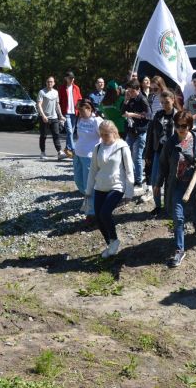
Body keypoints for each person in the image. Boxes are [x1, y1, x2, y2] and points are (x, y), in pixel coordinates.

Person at [157, 110, 196, 268]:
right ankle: (180, 250)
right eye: (177, 125)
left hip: (195, 181)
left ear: (190, 126)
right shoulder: (170, 143)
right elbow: (163, 164)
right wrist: (158, 183)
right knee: (178, 217)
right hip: (177, 184)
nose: (180, 128)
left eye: (184, 126)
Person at [84, 120, 134, 258]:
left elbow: (129, 170)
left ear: (114, 132)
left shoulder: (122, 147)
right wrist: (88, 191)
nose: (104, 137)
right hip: (100, 186)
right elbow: (93, 170)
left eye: (106, 134)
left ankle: (115, 239)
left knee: (105, 213)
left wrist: (129, 192)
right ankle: (111, 243)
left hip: (117, 186)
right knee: (99, 218)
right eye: (102, 135)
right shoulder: (98, 148)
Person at [144, 89, 178, 217]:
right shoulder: (157, 115)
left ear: (173, 100)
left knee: (171, 181)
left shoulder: (179, 116)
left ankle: (169, 207)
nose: (164, 105)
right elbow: (150, 136)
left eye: (167, 102)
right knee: (155, 180)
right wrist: (148, 154)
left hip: (173, 153)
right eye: (162, 102)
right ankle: (158, 206)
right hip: (158, 152)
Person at [73, 99, 103, 223]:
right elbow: (80, 136)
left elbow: (106, 136)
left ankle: (92, 213)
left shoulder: (97, 121)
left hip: (90, 157)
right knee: (79, 182)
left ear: (90, 109)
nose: (80, 112)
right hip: (78, 154)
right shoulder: (80, 119)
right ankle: (91, 203)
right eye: (79, 110)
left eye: (82, 110)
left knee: (89, 185)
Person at [122, 79, 151, 192]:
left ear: (138, 89)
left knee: (137, 156)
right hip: (130, 131)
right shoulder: (130, 98)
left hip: (140, 131)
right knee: (125, 152)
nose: (130, 93)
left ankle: (138, 181)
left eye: (132, 91)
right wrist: (125, 101)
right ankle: (131, 177)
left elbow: (149, 115)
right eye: (128, 91)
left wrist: (133, 115)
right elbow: (122, 112)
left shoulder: (142, 99)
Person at [37, 76, 67, 160]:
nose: (49, 83)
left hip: (54, 117)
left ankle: (59, 152)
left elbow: (57, 105)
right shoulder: (42, 92)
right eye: (48, 82)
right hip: (44, 117)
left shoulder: (56, 92)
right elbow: (39, 104)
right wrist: (43, 116)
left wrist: (60, 115)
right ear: (46, 83)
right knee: (43, 136)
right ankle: (42, 152)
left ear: (54, 83)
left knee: (56, 135)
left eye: (51, 82)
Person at [58, 71, 82, 157]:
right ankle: (73, 149)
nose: (72, 79)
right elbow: (58, 101)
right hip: (66, 112)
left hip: (74, 113)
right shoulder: (62, 88)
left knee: (71, 132)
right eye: (70, 78)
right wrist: (59, 113)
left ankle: (67, 148)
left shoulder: (76, 88)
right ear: (66, 79)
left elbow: (79, 99)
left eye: (73, 78)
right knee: (70, 131)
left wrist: (80, 111)